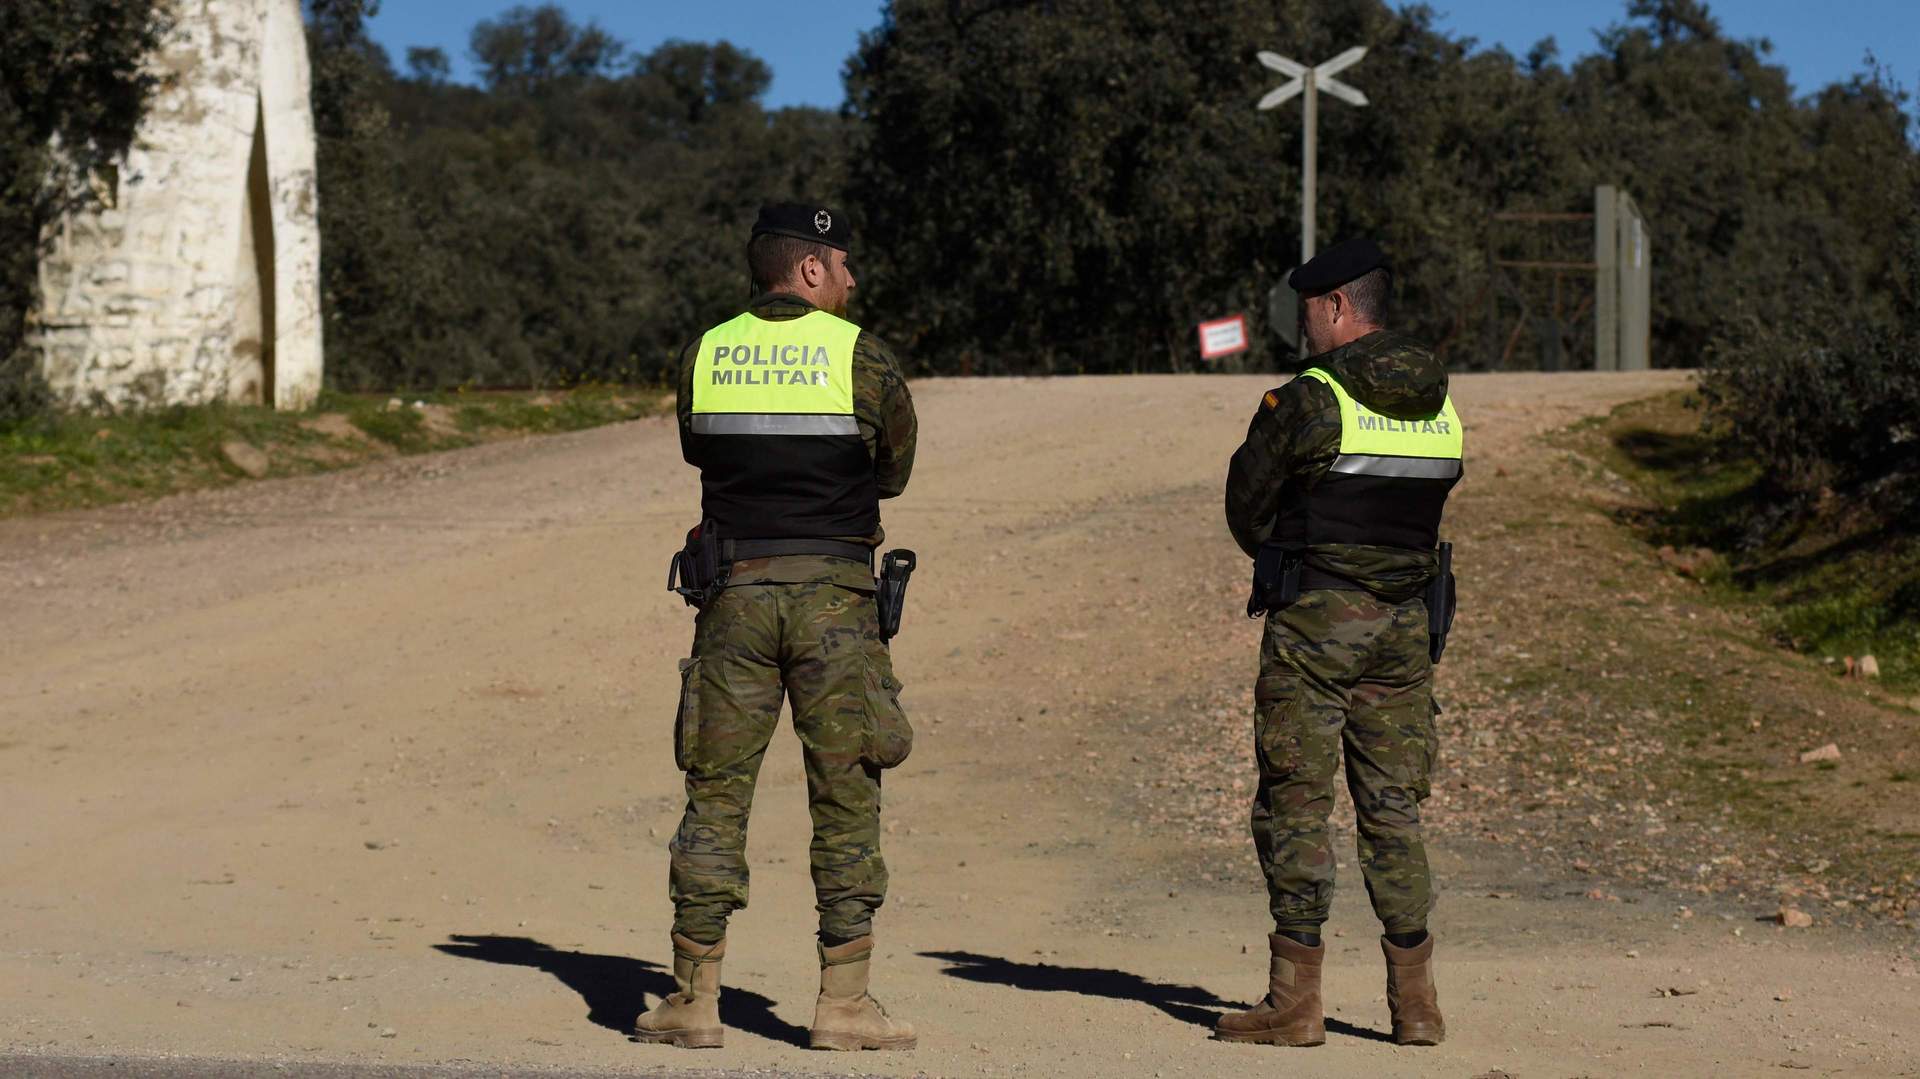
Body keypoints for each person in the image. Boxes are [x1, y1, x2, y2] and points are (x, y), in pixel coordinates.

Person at [635, 202, 918, 1052]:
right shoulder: (860, 355)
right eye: (842, 264)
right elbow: (894, 468)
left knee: (716, 792)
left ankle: (691, 997)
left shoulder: (706, 352)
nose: (852, 279)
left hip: (735, 598)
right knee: (846, 792)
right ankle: (844, 1004)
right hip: (835, 599)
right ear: (807, 270)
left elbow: (698, 449)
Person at [1216, 237, 1463, 1048]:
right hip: (1405, 625)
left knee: (1295, 798)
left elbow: (1247, 507)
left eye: (1310, 310)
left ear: (1336, 307)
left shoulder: (1311, 400)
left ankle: (1294, 1002)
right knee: (1394, 807)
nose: (1306, 325)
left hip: (1319, 621)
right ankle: (1417, 1006)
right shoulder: (1439, 398)